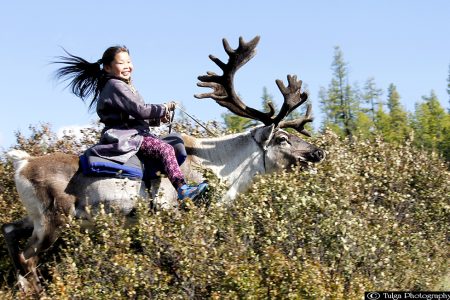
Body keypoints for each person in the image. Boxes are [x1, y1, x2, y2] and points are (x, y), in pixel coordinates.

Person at [54, 45, 207, 201]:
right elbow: (140, 110)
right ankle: (182, 189)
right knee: (166, 149)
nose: (127, 66)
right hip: (126, 137)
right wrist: (163, 108)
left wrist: (157, 120)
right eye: (121, 63)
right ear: (107, 67)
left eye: (129, 61)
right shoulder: (115, 85)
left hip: (134, 132)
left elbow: (134, 116)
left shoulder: (123, 85)